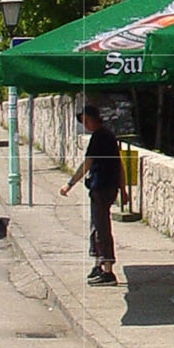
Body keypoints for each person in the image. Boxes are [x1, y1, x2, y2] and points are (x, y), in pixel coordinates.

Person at [64, 104, 122, 286]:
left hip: (101, 187)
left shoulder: (99, 137)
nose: (84, 124)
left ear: (89, 119)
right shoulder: (108, 136)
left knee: (101, 228)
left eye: (84, 121)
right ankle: (99, 263)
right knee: (96, 226)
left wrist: (69, 184)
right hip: (108, 187)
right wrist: (124, 189)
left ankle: (108, 270)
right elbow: (119, 164)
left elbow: (87, 164)